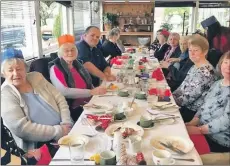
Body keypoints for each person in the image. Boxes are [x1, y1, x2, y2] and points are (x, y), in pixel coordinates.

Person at [1, 48, 73, 152]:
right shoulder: (5, 94)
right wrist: (58, 131)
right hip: (41, 146)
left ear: (25, 69)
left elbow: (59, 98)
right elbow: (21, 129)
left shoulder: (36, 76)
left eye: (19, 69)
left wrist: (66, 122)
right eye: (10, 70)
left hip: (65, 128)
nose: (16, 74)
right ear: (4, 73)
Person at [49, 34, 107, 121]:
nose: (70, 52)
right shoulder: (55, 68)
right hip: (75, 108)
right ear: (60, 53)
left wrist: (96, 92)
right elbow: (64, 91)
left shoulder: (77, 64)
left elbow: (89, 83)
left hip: (90, 102)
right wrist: (91, 92)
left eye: (73, 49)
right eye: (66, 50)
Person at [186, 51, 230, 152]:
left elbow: (226, 121)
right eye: (226, 62)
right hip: (202, 129)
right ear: (221, 64)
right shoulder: (217, 83)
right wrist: (193, 122)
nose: (228, 67)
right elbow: (204, 105)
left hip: (218, 140)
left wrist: (199, 130)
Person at [173, 35, 216, 122]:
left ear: (205, 52)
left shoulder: (205, 72)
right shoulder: (195, 66)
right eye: (190, 50)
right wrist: (171, 95)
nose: (192, 53)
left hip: (192, 114)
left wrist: (169, 100)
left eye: (195, 50)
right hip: (183, 107)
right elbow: (182, 87)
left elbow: (187, 99)